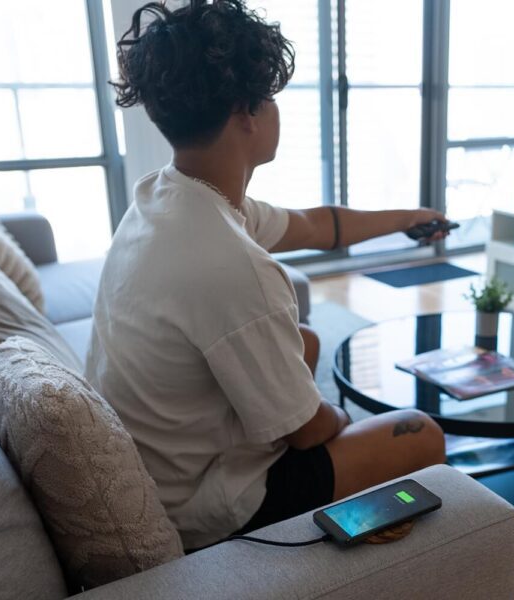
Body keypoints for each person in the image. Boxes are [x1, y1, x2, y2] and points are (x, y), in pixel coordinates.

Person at [88, 0, 448, 550]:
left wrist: (407, 219)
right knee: (419, 433)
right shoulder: (232, 265)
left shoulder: (171, 198)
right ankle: (358, 550)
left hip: (163, 461)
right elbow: (308, 431)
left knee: (305, 342)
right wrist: (342, 424)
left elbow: (316, 226)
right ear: (246, 113)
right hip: (201, 507)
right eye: (272, 97)